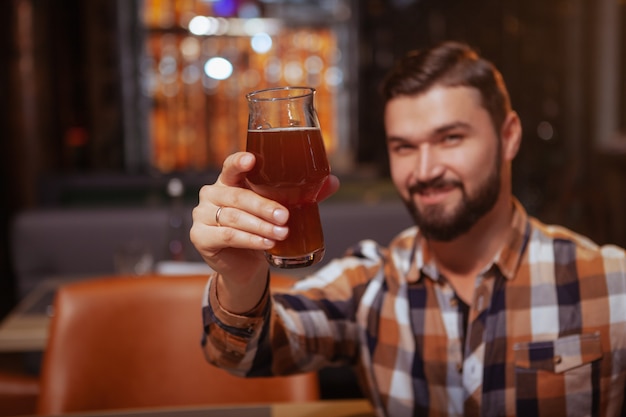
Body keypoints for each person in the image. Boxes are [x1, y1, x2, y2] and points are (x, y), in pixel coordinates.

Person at [190, 41, 626, 417]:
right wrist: (242, 278)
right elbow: (243, 355)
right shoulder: (370, 283)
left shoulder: (610, 285)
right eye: (404, 146)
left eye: (450, 138)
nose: (425, 169)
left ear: (509, 136)